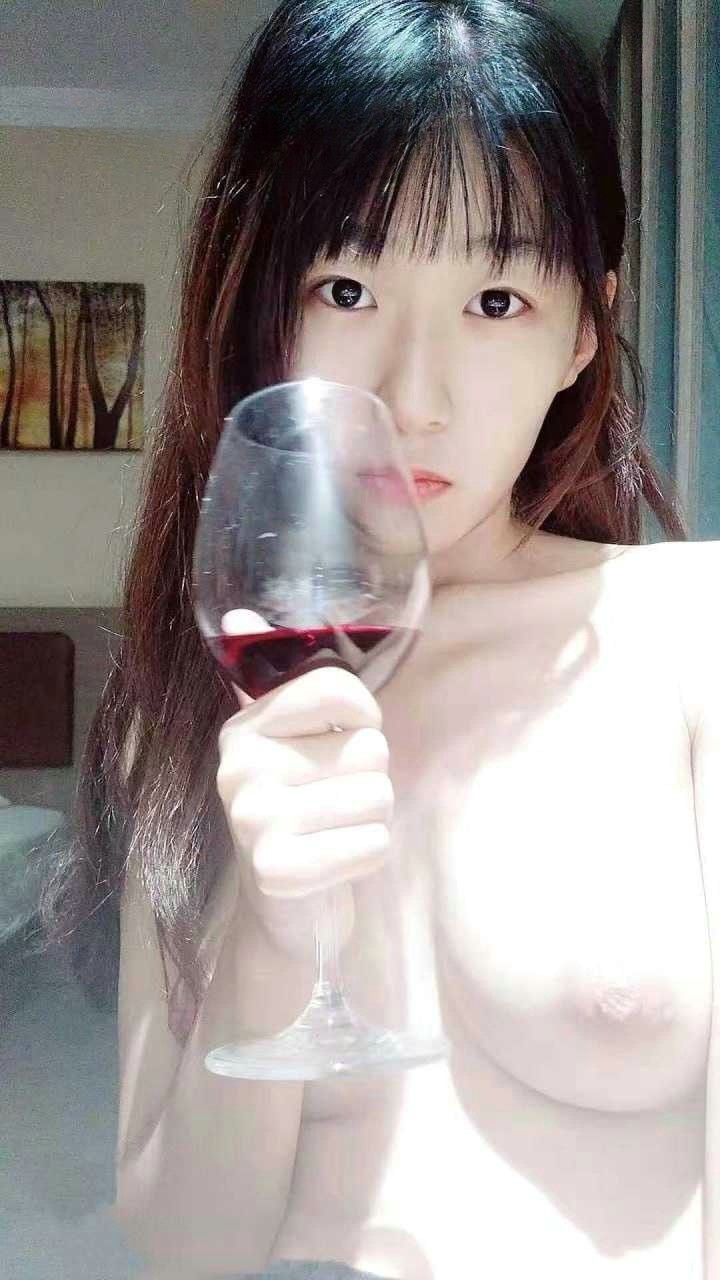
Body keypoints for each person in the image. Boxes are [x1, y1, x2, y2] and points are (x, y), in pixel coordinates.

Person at [38, 0, 720, 1276]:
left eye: (497, 298)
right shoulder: (186, 703)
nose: (413, 394)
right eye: (347, 287)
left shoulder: (693, 635)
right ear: (264, 307)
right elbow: (187, 1247)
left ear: (585, 329)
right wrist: (269, 931)